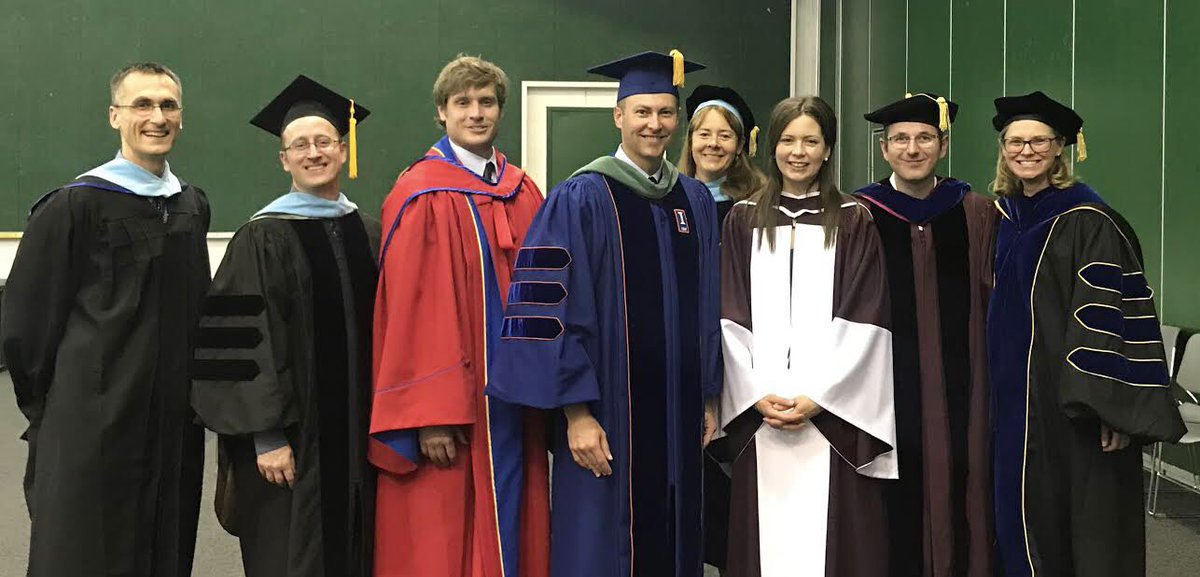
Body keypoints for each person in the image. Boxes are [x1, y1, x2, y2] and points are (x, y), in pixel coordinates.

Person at [486, 50, 721, 577]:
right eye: (642, 112)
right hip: (606, 415)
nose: (654, 124)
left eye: (665, 112)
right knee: (602, 545)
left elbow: (708, 303)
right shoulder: (582, 197)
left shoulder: (694, 199)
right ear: (618, 116)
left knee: (675, 534)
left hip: (678, 412)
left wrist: (708, 393)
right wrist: (576, 414)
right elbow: (551, 309)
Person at [1, 62, 210, 577]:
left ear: (181, 116)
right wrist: (58, 410)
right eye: (142, 104)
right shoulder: (73, 206)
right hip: (91, 421)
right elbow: (26, 324)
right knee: (85, 552)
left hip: (171, 424)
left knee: (165, 547)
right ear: (115, 116)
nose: (157, 117)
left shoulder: (190, 205)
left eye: (168, 105)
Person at [987, 90, 1185, 577]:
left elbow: (1115, 316)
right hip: (1011, 402)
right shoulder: (1000, 218)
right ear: (1003, 149)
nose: (1026, 151)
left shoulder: (1089, 220)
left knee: (1081, 525)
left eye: (1039, 141)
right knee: (1019, 515)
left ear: (1060, 147)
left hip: (1071, 408)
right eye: (1015, 142)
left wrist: (1111, 409)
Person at [368, 54, 550, 577]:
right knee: (444, 535)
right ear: (441, 112)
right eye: (463, 102)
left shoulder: (523, 190)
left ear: (500, 110)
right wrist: (429, 415)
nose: (476, 113)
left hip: (516, 403)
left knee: (518, 524)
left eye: (486, 102)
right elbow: (413, 313)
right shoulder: (420, 193)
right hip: (453, 408)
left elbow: (550, 295)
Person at [190, 75, 378, 577]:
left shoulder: (368, 232)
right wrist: (265, 435)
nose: (313, 153)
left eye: (324, 142)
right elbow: (238, 344)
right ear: (284, 160)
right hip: (291, 444)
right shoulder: (261, 238)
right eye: (300, 145)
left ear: (343, 150)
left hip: (359, 440)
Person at [720, 96, 896, 577]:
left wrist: (821, 398)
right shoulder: (743, 219)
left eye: (811, 141)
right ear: (772, 147)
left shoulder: (855, 219)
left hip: (831, 415)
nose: (798, 152)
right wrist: (754, 393)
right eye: (788, 140)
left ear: (827, 149)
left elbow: (867, 316)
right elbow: (729, 313)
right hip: (762, 413)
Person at [854, 93, 996, 577]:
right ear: (884, 148)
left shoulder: (976, 212)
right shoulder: (859, 213)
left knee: (962, 477)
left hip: (962, 387)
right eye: (900, 139)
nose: (912, 149)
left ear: (943, 145)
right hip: (882, 387)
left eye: (924, 138)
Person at [677, 84, 766, 228]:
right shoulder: (672, 198)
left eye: (725, 136)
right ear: (690, 140)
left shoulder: (757, 206)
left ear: (739, 145)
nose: (713, 143)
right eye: (704, 134)